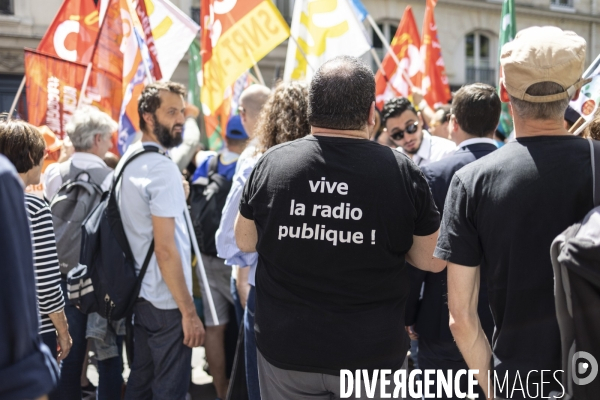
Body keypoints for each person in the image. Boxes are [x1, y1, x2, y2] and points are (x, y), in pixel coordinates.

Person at [234, 56, 445, 399]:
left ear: (312, 111)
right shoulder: (401, 171)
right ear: (370, 115)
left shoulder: (272, 162)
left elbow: (244, 239)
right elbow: (433, 259)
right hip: (371, 356)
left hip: (287, 351)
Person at [437, 27, 593, 399]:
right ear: (574, 93)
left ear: (504, 92)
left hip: (520, 382)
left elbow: (461, 318)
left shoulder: (471, 181)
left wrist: (496, 390)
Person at [216, 81, 310, 400]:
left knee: (263, 387)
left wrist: (248, 264)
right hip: (318, 294)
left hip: (268, 290)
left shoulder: (258, 164)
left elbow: (229, 240)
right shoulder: (332, 165)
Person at [405, 84, 500, 399]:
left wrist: (409, 313)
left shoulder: (433, 174)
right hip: (502, 320)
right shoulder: (518, 169)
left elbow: (421, 252)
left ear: (453, 122)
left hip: (441, 320)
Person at [119, 81, 204, 400]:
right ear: (148, 117)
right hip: (166, 302)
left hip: (142, 296)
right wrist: (189, 312)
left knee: (141, 381)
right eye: (171, 112)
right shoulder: (160, 169)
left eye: (182, 111)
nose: (180, 118)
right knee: (169, 389)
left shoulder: (130, 159)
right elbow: (166, 250)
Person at [42, 107, 123, 400]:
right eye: (109, 139)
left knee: (68, 353)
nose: (110, 144)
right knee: (108, 354)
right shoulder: (112, 178)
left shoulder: (54, 171)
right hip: (98, 278)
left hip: (61, 274)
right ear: (97, 138)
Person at [0, 123, 61, 400]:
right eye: (42, 155)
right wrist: (64, 328)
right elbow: (47, 283)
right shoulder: (35, 206)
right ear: (30, 157)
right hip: (30, 334)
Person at [190, 114, 249, 400]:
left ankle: (221, 391)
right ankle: (246, 390)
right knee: (246, 328)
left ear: (225, 137)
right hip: (236, 261)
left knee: (215, 329)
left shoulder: (208, 162)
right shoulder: (247, 163)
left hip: (205, 257)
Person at [382, 97, 456, 167]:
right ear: (388, 134)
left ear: (420, 119)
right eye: (397, 134)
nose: (408, 138)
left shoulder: (448, 152)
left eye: (411, 127)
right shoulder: (390, 162)